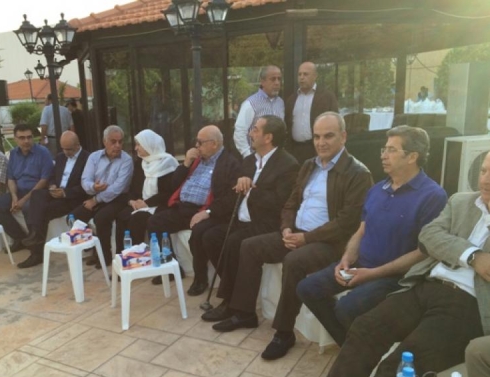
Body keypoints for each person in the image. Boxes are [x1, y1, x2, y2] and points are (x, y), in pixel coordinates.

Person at [266, 151, 490, 377]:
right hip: (427, 284)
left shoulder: (434, 194)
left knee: (404, 362)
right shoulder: (461, 201)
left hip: (469, 304)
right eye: (484, 170)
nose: (486, 179)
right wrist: (473, 256)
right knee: (366, 327)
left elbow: (439, 240)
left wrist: (453, 249)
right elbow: (429, 237)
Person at [209, 112, 373, 362]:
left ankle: (284, 333)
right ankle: (244, 313)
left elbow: (346, 222)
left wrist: (305, 239)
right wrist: (286, 228)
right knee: (249, 246)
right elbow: (291, 203)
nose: (321, 142)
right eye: (317, 137)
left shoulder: (357, 173)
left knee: (294, 261)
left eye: (328, 136)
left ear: (343, 136)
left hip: (330, 242)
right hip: (296, 232)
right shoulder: (309, 166)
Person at [296, 126, 447, 346]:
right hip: (361, 265)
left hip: (396, 277)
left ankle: (359, 349)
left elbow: (423, 253)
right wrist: (346, 259)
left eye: (392, 150)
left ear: (412, 157)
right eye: (384, 149)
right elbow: (362, 229)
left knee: (347, 307)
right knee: (307, 288)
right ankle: (349, 345)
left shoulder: (433, 196)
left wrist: (372, 274)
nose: (383, 155)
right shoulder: (377, 189)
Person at [199, 115, 299, 302]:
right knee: (211, 237)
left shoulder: (287, 164)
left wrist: (251, 189)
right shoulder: (249, 161)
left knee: (234, 242)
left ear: (268, 137)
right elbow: (236, 191)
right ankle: (232, 288)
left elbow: (281, 202)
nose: (250, 133)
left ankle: (230, 301)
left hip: (265, 223)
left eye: (255, 130)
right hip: (242, 220)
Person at [147, 125, 240, 291]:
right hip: (183, 207)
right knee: (155, 222)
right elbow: (173, 185)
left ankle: (201, 279)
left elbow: (229, 198)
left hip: (205, 210)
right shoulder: (196, 160)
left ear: (214, 144)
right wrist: (185, 164)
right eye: (196, 142)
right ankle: (171, 267)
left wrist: (207, 212)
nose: (196, 146)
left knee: (198, 233)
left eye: (200, 142)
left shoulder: (229, 164)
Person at [18, 131, 90, 268]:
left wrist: (65, 193)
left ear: (77, 145)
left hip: (72, 198)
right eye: (63, 148)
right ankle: (36, 239)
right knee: (36, 194)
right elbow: (52, 176)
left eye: (69, 149)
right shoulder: (61, 157)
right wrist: (52, 186)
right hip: (56, 193)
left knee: (41, 212)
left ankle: (36, 250)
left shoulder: (88, 159)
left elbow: (86, 186)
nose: (66, 152)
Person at [70, 125, 133, 266]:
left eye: (120, 142)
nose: (117, 145)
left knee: (101, 217)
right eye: (113, 141)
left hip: (118, 198)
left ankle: (104, 256)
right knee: (75, 216)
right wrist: (93, 187)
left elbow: (117, 188)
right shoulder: (94, 157)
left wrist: (95, 199)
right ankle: (93, 249)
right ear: (105, 141)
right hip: (96, 195)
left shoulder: (126, 160)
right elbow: (85, 180)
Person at [0, 124, 53, 252]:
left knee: (28, 207)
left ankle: (36, 248)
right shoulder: (13, 154)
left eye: (29, 137)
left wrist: (23, 200)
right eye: (22, 138)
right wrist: (14, 197)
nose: (26, 141)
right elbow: (11, 178)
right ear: (15, 139)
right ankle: (20, 238)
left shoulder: (43, 153)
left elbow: (44, 180)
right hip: (18, 192)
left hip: (38, 193)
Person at [114, 129, 178, 254]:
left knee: (136, 219)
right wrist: (132, 201)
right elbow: (133, 187)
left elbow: (168, 193)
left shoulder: (167, 162)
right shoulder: (141, 163)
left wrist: (146, 203)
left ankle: (137, 256)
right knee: (122, 216)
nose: (136, 148)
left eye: (139, 144)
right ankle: (122, 256)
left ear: (149, 144)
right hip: (142, 203)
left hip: (160, 205)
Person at [287, 62, 339, 164]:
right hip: (295, 151)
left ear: (315, 76)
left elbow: (335, 124)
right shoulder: (292, 99)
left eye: (305, 74)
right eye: (299, 74)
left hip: (318, 149)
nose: (302, 77)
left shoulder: (327, 97)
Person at [233, 66, 284, 159]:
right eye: (273, 79)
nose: (277, 83)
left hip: (276, 159)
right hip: (256, 159)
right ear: (262, 82)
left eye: (279, 79)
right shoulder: (251, 103)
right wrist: (248, 155)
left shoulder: (280, 103)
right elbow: (240, 132)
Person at [40, 94, 73, 158]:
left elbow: (44, 126)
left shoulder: (46, 109)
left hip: (52, 139)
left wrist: (43, 139)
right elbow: (72, 127)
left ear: (49, 100)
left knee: (53, 158)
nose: (45, 102)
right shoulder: (66, 110)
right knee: (65, 157)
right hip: (65, 138)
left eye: (45, 100)